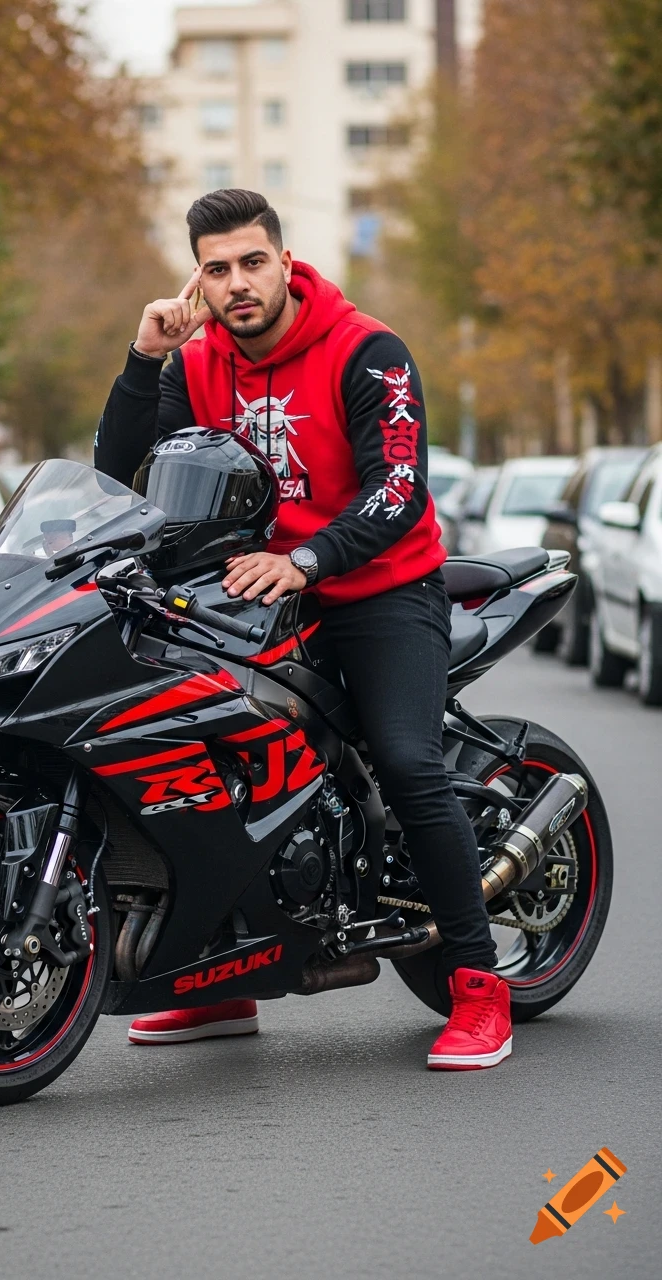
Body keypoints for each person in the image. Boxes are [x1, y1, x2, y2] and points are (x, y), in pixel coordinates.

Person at [94, 189, 511, 1071]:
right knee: (198, 756)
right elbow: (124, 476)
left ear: (285, 262)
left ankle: (479, 985)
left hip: (376, 588)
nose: (237, 283)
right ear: (197, 280)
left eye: (252, 262)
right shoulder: (194, 363)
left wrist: (309, 560)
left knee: (407, 762)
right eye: (217, 269)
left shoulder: (368, 351)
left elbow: (399, 490)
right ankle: (221, 980)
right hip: (243, 593)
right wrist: (144, 358)